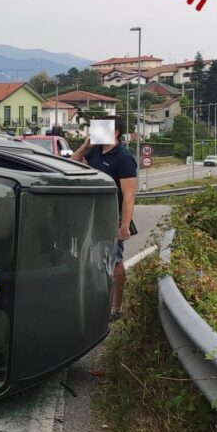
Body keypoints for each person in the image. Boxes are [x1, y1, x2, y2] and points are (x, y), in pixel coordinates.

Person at [71, 119, 137, 319]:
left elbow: (129, 195)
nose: (96, 132)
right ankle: (95, 301)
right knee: (90, 259)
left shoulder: (124, 158)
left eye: (101, 129)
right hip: (91, 214)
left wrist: (124, 226)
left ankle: (116, 308)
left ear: (115, 132)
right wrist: (84, 146)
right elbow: (72, 164)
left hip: (111, 216)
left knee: (114, 260)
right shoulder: (94, 152)